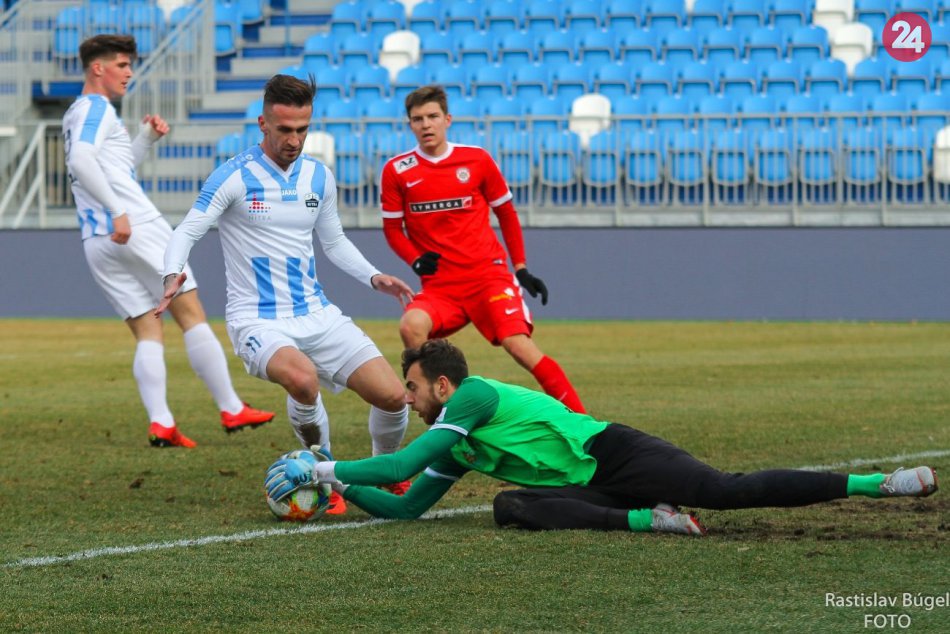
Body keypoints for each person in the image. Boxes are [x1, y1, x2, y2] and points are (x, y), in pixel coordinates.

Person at [265, 338, 940, 535]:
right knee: (510, 509)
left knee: (726, 492)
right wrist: (338, 489)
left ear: (441, 386)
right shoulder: (459, 442)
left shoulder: (468, 399)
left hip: (614, 450)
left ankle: (879, 482)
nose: (404, 398)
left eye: (411, 388)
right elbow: (407, 503)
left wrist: (324, 469)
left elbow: (401, 466)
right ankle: (650, 522)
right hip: (589, 487)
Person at [158, 74, 416, 515]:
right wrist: (171, 272)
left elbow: (333, 243)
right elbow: (189, 228)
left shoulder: (319, 177)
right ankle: (327, 479)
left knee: (394, 396)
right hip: (256, 318)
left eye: (302, 129)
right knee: (302, 380)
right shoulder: (234, 176)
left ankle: (384, 471)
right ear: (263, 123)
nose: (294, 139)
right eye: (284, 130)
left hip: (317, 313)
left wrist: (374, 277)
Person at [62, 34, 274, 449]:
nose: (129, 73)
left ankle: (161, 422)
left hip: (95, 238)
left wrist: (143, 140)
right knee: (190, 313)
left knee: (146, 329)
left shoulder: (75, 113)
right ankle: (231, 406)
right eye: (121, 65)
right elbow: (81, 161)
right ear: (97, 68)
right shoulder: (97, 107)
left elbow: (112, 167)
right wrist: (117, 211)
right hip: (134, 224)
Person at [379, 85, 586, 414]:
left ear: (447, 119)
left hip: (487, 278)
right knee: (411, 325)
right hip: (442, 288)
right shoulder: (397, 171)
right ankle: (440, 418)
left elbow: (506, 212)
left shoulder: (476, 160)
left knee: (519, 346)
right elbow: (392, 228)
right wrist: (415, 260)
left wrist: (520, 267)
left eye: (433, 116)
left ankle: (584, 423)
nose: (426, 124)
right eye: (417, 119)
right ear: (410, 125)